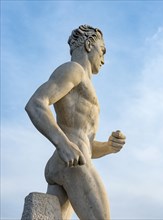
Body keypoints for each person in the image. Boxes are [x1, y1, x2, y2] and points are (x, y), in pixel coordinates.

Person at [25, 25, 126, 220]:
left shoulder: (86, 84)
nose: (104, 58)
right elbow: (36, 104)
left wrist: (107, 146)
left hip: (71, 160)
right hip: (72, 163)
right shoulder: (73, 70)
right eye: (102, 50)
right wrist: (63, 145)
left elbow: (84, 144)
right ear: (89, 45)